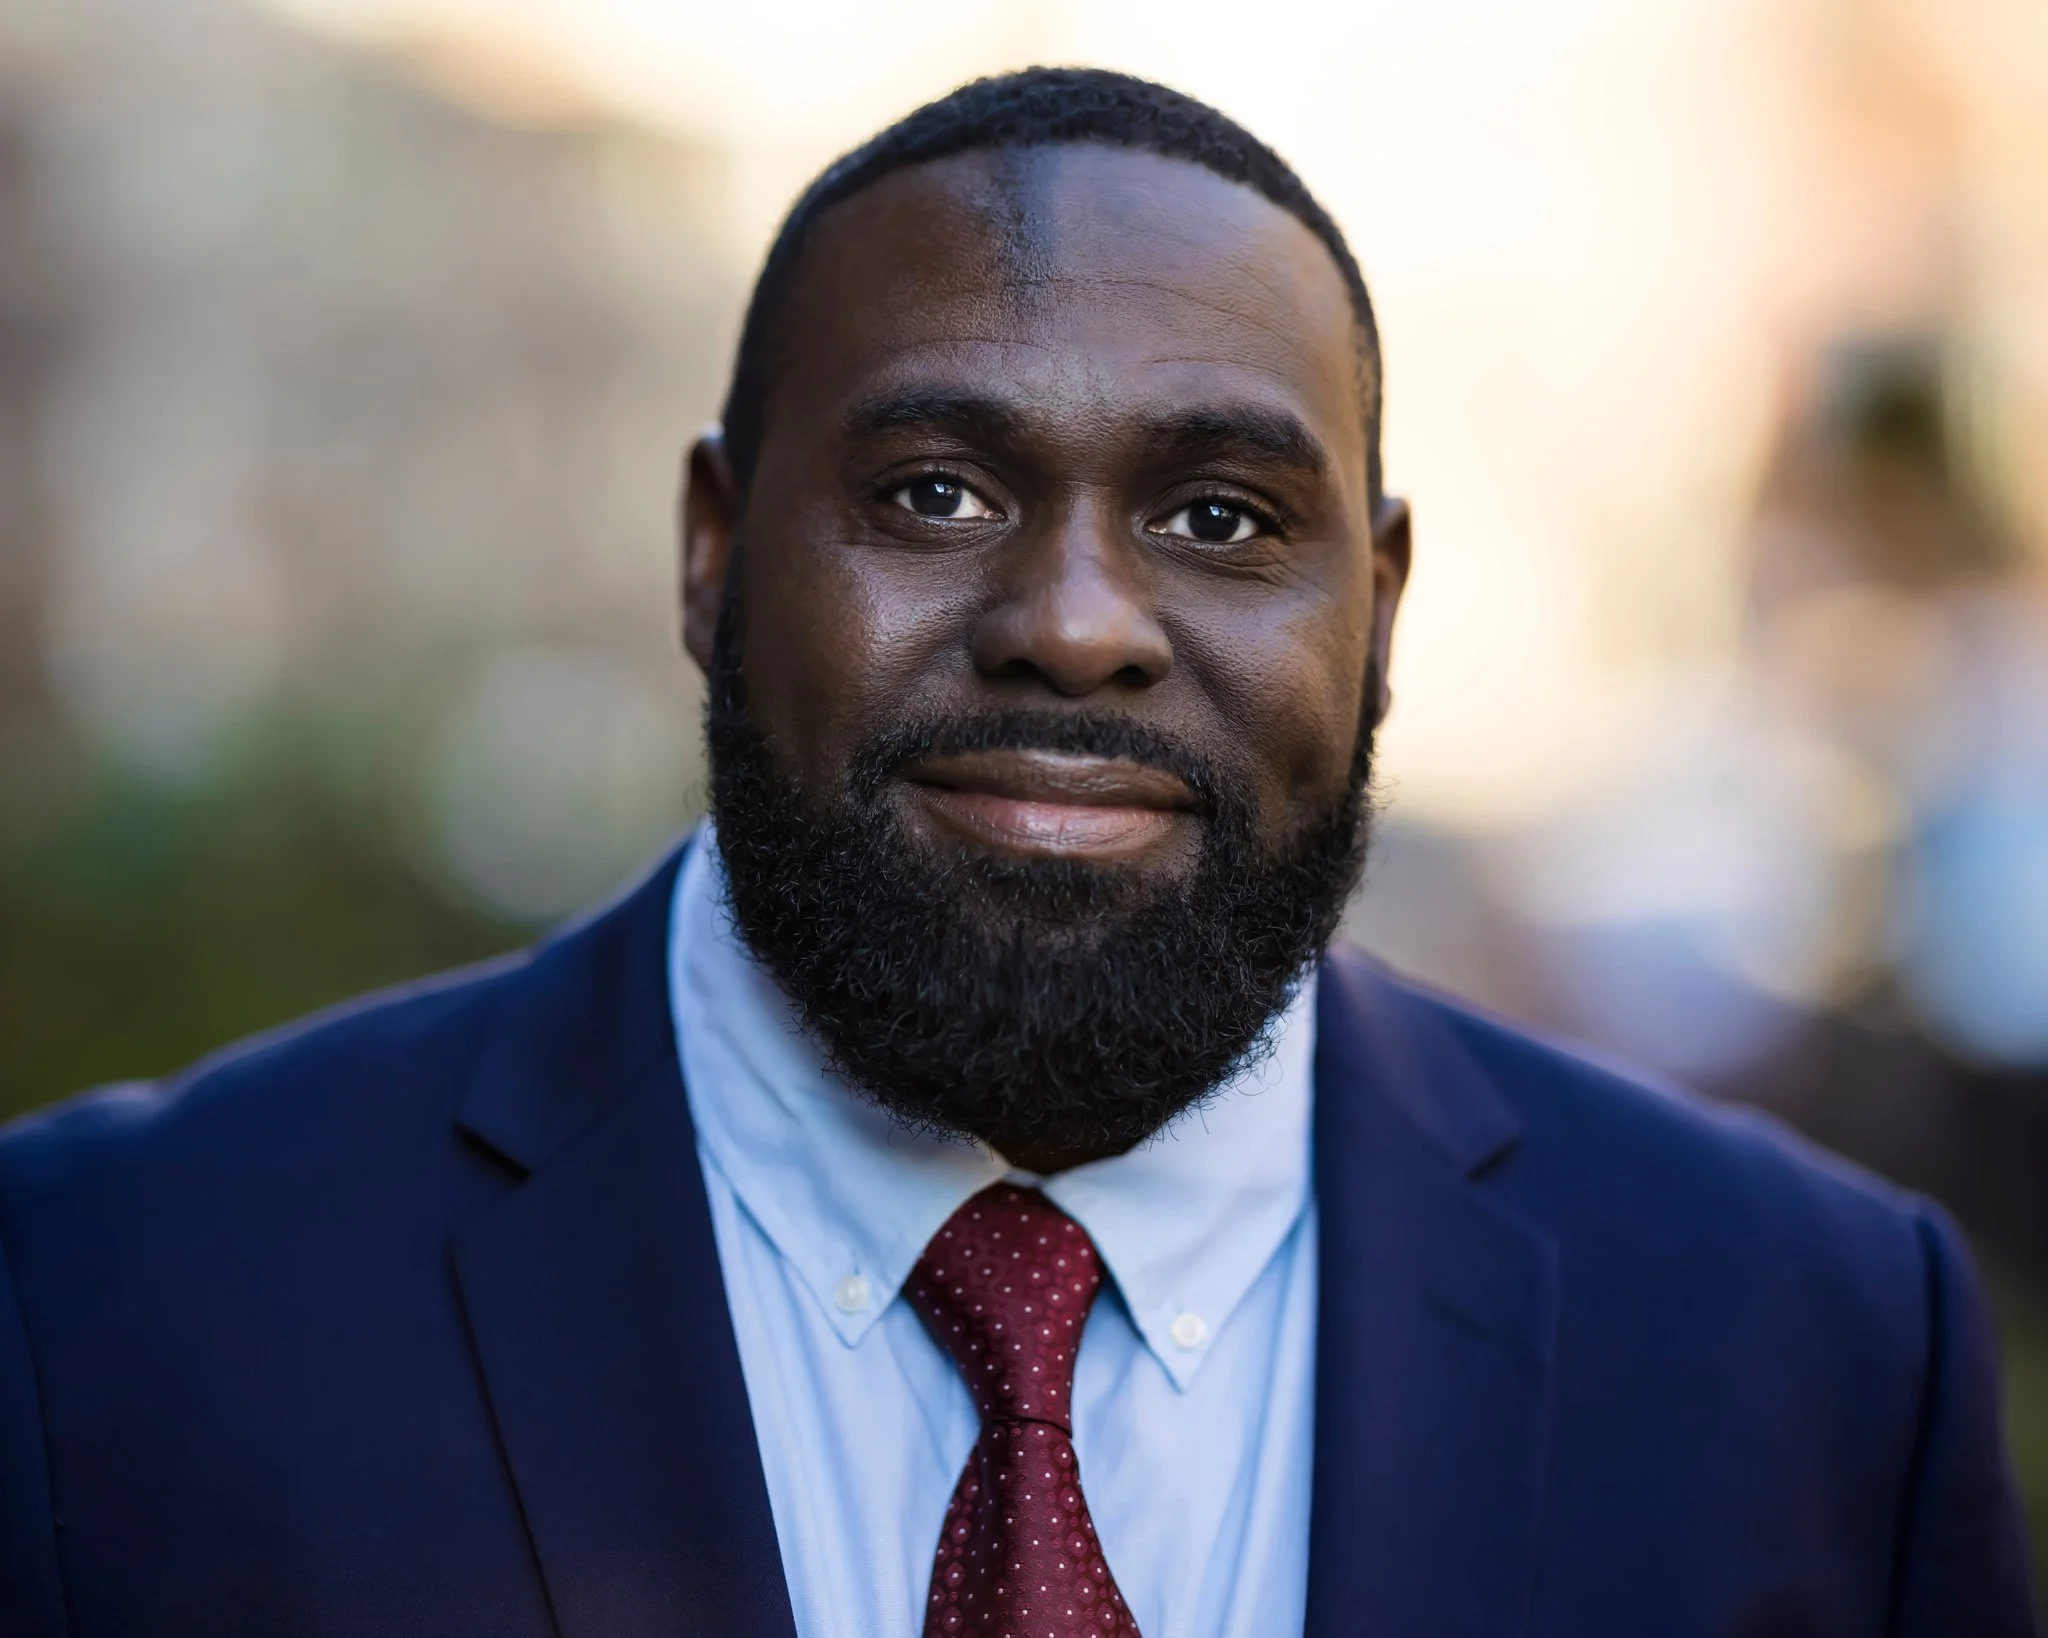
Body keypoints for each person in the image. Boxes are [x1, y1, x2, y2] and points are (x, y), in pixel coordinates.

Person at [0, 67, 2033, 1638]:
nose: (1075, 618)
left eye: (1223, 517)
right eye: (939, 489)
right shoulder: (105, 1306)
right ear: (712, 554)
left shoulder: (1818, 1354)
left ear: (1385, 607)